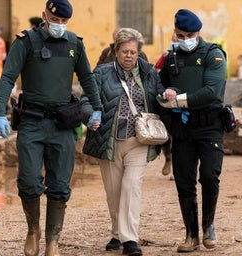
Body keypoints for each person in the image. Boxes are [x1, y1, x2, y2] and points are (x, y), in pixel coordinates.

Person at [0, 0, 103, 255]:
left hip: (63, 123)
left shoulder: (75, 43)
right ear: (45, 16)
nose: (59, 26)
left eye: (64, 22)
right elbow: (8, 76)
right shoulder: (26, 42)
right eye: (55, 21)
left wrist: (96, 107)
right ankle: (33, 230)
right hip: (32, 122)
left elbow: (86, 76)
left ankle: (53, 239)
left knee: (60, 185)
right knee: (29, 181)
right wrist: (0, 113)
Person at [81, 27, 167, 256]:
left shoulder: (148, 72)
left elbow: (159, 95)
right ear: (116, 51)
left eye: (133, 52)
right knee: (114, 191)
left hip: (138, 141)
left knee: (131, 186)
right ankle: (117, 234)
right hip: (109, 140)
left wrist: (169, 95)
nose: (129, 56)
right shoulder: (101, 73)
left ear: (139, 52)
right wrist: (89, 115)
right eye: (125, 51)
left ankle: (130, 239)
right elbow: (85, 99)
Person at [157, 9, 227, 252]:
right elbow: (161, 84)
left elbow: (211, 92)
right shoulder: (171, 58)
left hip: (209, 126)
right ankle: (191, 235)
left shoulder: (213, 54)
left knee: (209, 176)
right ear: (175, 34)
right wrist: (163, 94)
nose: (185, 39)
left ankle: (208, 226)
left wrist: (178, 100)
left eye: (189, 35)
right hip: (183, 128)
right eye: (180, 35)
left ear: (198, 33)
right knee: (184, 182)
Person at [154, 32, 178, 176]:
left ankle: (179, 166)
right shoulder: (166, 56)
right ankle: (168, 158)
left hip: (183, 101)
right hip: (166, 101)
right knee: (166, 134)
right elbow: (156, 71)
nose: (177, 41)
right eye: (174, 39)